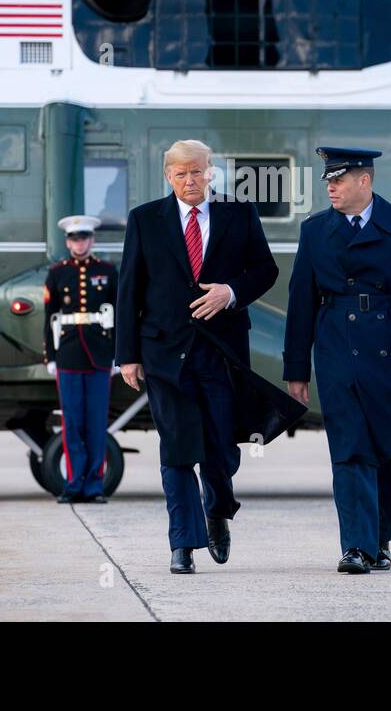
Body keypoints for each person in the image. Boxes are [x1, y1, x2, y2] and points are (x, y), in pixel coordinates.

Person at [115, 139, 282, 575]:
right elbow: (129, 289)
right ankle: (182, 545)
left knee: (222, 451)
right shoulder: (145, 220)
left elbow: (266, 270)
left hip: (221, 353)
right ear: (168, 176)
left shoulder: (238, 214)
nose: (190, 180)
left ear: (212, 172)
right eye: (181, 173)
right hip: (164, 353)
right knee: (176, 449)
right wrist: (127, 356)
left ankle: (217, 510)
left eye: (198, 171)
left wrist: (231, 292)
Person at [283, 147, 391, 574]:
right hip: (339, 346)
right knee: (351, 447)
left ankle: (380, 539)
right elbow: (301, 303)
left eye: (339, 180)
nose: (331, 188)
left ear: (365, 181)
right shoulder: (316, 230)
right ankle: (355, 546)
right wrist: (297, 370)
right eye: (328, 181)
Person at [43, 214, 118, 504]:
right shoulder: (58, 273)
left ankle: (95, 487)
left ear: (92, 240)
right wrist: (50, 355)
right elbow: (51, 318)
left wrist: (119, 356)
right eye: (75, 238)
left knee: (96, 424)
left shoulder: (108, 271)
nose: (80, 242)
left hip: (100, 355)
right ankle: (74, 485)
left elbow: (120, 315)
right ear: (68, 242)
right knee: (72, 424)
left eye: (84, 237)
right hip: (70, 356)